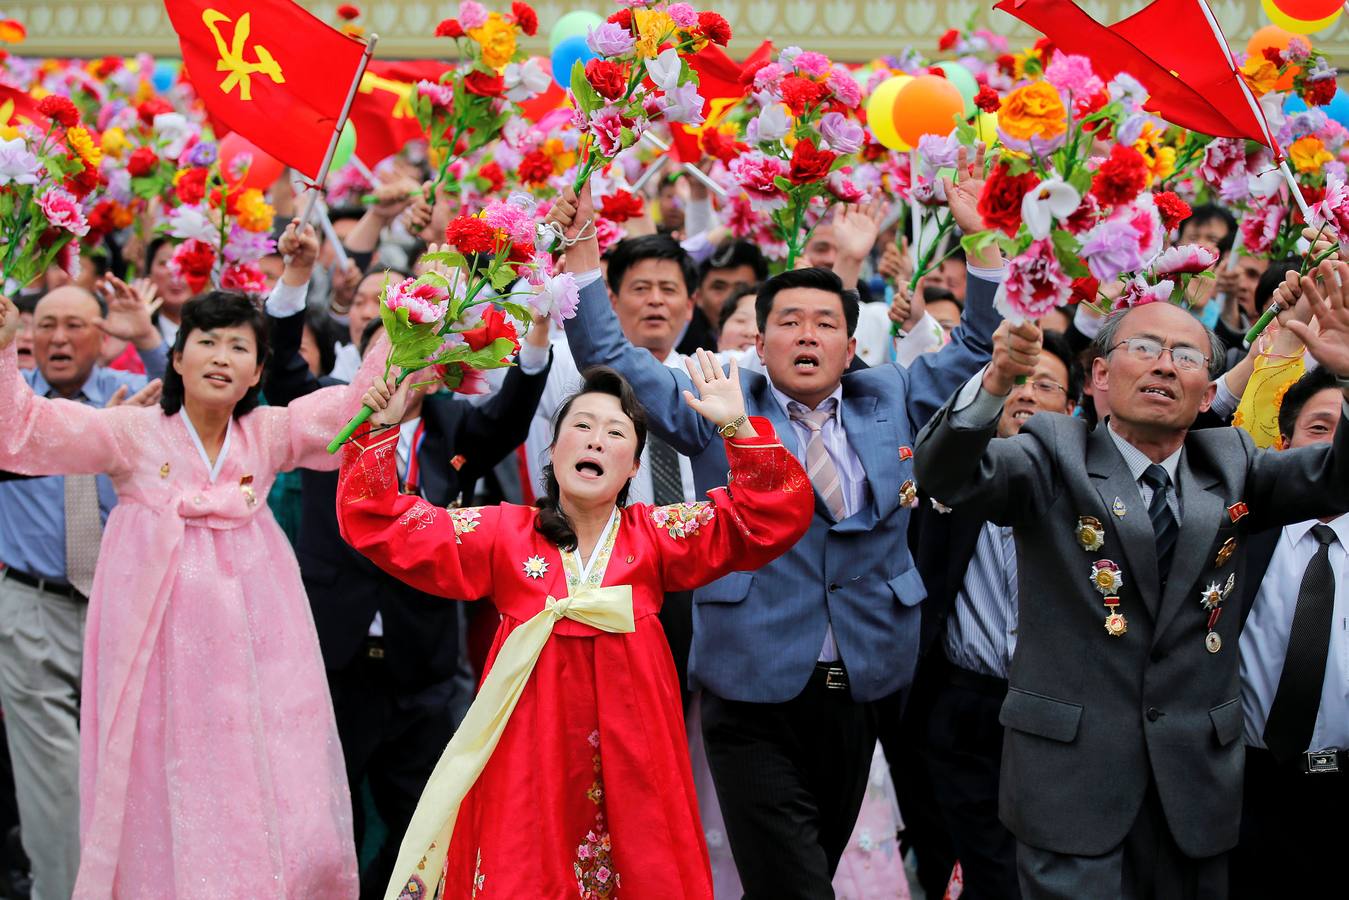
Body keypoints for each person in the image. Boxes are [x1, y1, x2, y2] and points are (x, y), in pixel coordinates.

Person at [558, 145, 1005, 897]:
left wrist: (982, 240)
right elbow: (607, 351)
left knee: (812, 868)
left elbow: (973, 347)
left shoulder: (889, 393)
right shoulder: (718, 402)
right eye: (787, 323)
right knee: (793, 883)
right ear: (757, 344)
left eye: (823, 323)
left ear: (849, 344)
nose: (805, 335)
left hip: (862, 679)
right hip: (749, 678)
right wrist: (578, 251)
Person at [912, 258, 1349, 898]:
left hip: (1193, 792)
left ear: (1208, 395)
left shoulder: (1232, 462)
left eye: (1187, 356)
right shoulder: (1053, 454)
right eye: (1143, 348)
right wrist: (997, 381)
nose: (1165, 365)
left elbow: (1335, 479)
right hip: (1070, 786)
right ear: (1098, 377)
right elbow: (945, 476)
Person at [336, 359, 813, 899]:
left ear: (634, 466)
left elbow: (770, 516)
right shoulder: (503, 534)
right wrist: (379, 431)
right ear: (555, 449)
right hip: (527, 745)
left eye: (616, 433)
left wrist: (737, 428)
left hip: (635, 749)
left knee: (643, 863)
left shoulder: (656, 535)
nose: (596, 440)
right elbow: (382, 522)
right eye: (581, 426)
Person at [0, 266, 385, 896]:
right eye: (206, 341)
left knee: (267, 771)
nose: (221, 357)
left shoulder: (267, 434)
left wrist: (407, 332)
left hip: (259, 646)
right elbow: (23, 433)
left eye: (239, 346)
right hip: (156, 653)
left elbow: (352, 412)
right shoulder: (129, 432)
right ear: (175, 358)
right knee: (161, 776)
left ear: (258, 372)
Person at [263, 229, 553, 899]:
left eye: (421, 352)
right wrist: (295, 278)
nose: (402, 364)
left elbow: (510, 416)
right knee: (313, 825)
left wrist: (534, 338)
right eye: (386, 349)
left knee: (420, 824)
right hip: (330, 662)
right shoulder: (329, 422)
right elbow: (281, 367)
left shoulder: (453, 431)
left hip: (420, 664)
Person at [0, 281, 167, 900]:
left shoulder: (144, 399)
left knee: (134, 768)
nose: (58, 338)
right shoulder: (11, 405)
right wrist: (97, 431)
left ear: (104, 336)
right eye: (44, 325)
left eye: (75, 324)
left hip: (124, 609)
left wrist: (149, 336)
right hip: (32, 605)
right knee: (53, 778)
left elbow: (207, 394)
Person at [909, 331, 1081, 900]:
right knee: (982, 872)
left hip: (1062, 712)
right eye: (1016, 383)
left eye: (1046, 384)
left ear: (1074, 408)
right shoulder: (950, 480)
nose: (1027, 395)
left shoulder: (1093, 490)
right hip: (964, 706)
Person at [1230, 366, 1349, 898]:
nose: (1334, 449)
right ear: (1283, 445)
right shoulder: (1238, 532)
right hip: (1236, 784)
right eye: (1320, 429)